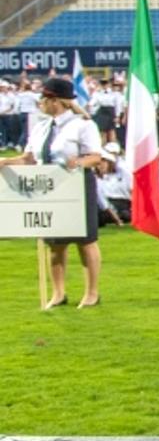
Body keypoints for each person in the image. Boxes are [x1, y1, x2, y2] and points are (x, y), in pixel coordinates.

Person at [3, 78, 105, 308]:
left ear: (55, 101)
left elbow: (95, 157)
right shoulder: (40, 127)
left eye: (44, 99)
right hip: (47, 187)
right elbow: (30, 158)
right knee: (55, 242)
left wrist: (77, 162)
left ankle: (92, 292)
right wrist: (7, 161)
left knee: (85, 240)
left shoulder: (83, 125)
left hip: (76, 185)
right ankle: (58, 293)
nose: (40, 103)